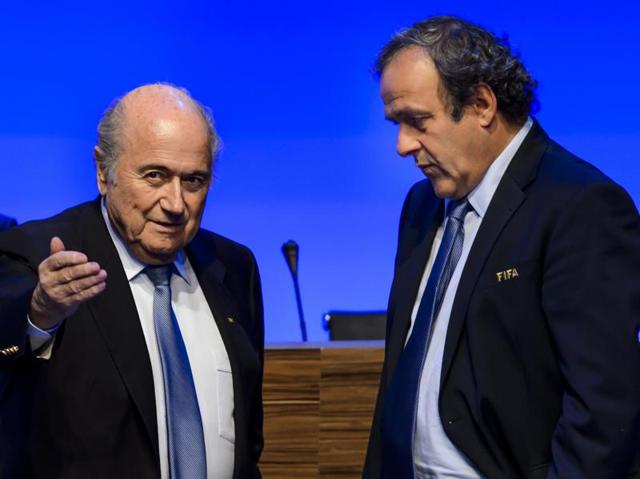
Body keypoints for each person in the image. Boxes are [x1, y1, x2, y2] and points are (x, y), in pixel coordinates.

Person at [364, 16, 640, 479]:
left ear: (481, 103)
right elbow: (397, 382)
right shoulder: (421, 205)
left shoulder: (580, 205)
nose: (402, 145)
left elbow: (604, 407)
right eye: (396, 123)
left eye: (417, 121)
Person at [0, 84, 264, 479]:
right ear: (103, 171)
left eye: (194, 181)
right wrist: (41, 312)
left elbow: (248, 436)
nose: (176, 204)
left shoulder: (233, 267)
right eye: (155, 176)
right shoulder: (38, 256)